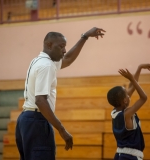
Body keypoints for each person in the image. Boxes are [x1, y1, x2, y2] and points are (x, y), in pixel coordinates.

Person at [15, 27, 106, 160]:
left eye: (65, 46)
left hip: (26, 119)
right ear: (49, 45)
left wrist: (84, 37)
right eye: (61, 46)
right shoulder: (47, 66)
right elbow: (40, 100)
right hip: (37, 120)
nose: (64, 50)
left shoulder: (40, 60)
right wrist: (62, 130)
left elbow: (68, 59)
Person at [107, 64, 150, 160]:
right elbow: (144, 98)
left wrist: (139, 68)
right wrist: (132, 79)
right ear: (124, 100)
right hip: (130, 157)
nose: (129, 94)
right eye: (127, 95)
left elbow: (132, 87)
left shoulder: (115, 111)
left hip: (120, 155)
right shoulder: (127, 114)